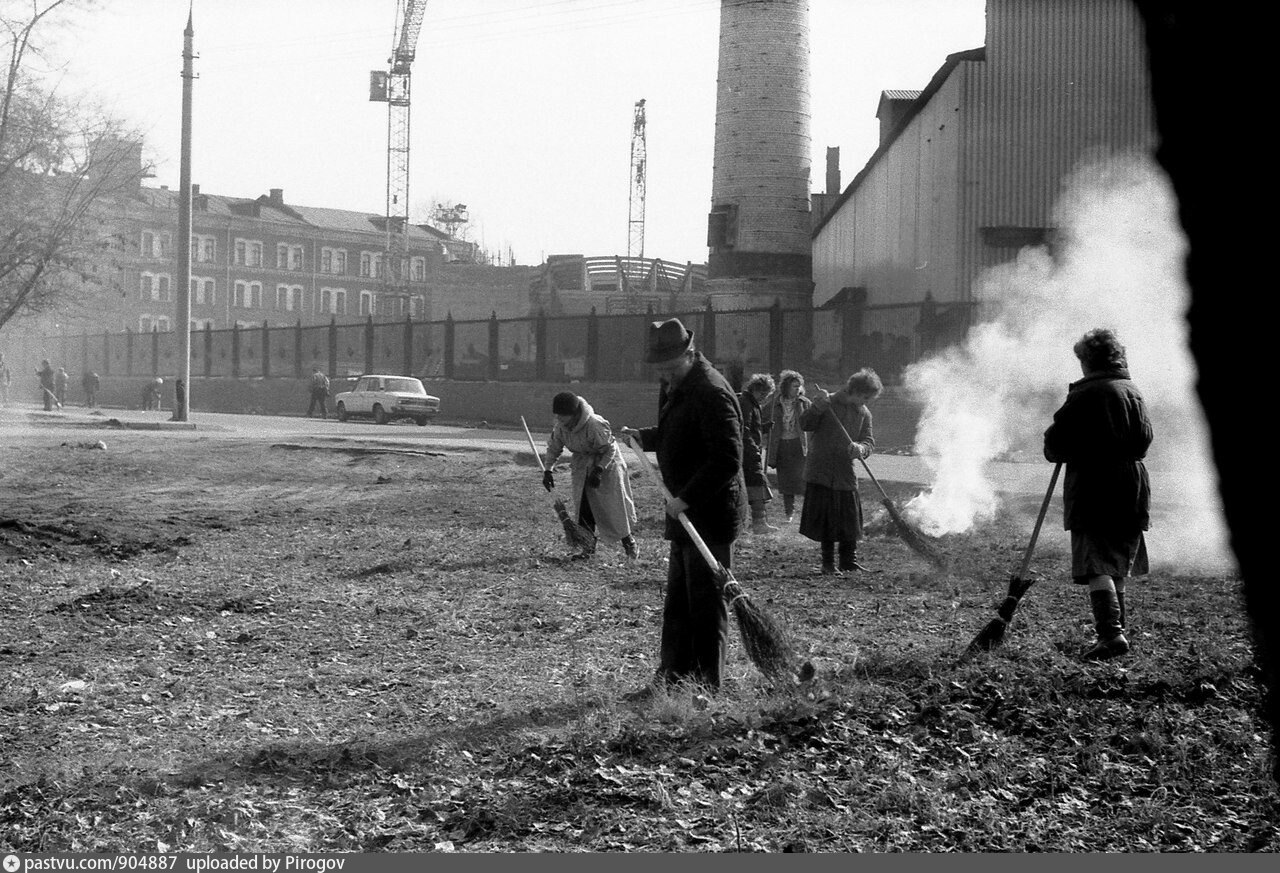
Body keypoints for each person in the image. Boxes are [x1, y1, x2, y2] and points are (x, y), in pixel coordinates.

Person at [619, 318, 745, 698]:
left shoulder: (712, 392)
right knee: (678, 600)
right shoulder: (676, 383)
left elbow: (727, 459)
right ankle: (672, 676)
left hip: (708, 513)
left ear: (690, 354)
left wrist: (686, 498)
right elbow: (679, 433)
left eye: (670, 368)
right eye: (659, 369)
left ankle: (708, 686)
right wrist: (646, 436)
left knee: (707, 603)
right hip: (683, 511)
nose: (663, 376)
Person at [1043, 327, 1153, 661]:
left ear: (1090, 361)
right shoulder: (1132, 390)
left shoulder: (1086, 393)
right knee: (1116, 560)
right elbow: (1145, 439)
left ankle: (1111, 635)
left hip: (1095, 484)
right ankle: (1117, 630)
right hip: (1133, 484)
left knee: (1096, 562)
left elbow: (1055, 445)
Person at [800, 368, 883, 575]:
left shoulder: (864, 413)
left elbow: (869, 441)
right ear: (852, 390)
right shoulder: (827, 403)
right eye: (864, 397)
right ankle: (828, 563)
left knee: (849, 518)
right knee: (828, 519)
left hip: (845, 471)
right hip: (822, 469)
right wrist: (816, 408)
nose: (866, 402)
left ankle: (849, 561)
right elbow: (805, 423)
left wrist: (861, 448)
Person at [541, 391, 639, 561]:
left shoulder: (594, 424)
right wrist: (548, 469)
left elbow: (610, 448)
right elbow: (554, 448)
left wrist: (599, 470)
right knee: (585, 508)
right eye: (558, 415)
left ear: (574, 413)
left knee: (613, 508)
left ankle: (629, 544)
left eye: (564, 415)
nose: (560, 419)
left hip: (607, 465)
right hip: (582, 466)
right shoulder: (560, 427)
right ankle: (588, 549)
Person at [764, 369, 813, 524]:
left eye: (799, 386)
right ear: (786, 387)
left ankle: (808, 512)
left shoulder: (805, 403)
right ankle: (789, 513)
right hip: (781, 446)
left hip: (799, 445)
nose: (797, 389)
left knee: (804, 478)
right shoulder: (774, 404)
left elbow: (813, 422)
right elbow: (760, 418)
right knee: (786, 481)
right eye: (794, 386)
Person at [739, 373, 778, 534]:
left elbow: (753, 427)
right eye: (763, 394)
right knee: (756, 485)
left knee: (755, 485)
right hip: (747, 452)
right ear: (755, 389)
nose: (765, 398)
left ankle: (755, 523)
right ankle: (758, 523)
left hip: (749, 450)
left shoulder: (751, 402)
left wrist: (764, 427)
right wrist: (752, 449)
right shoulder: (746, 403)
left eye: (767, 395)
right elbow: (744, 429)